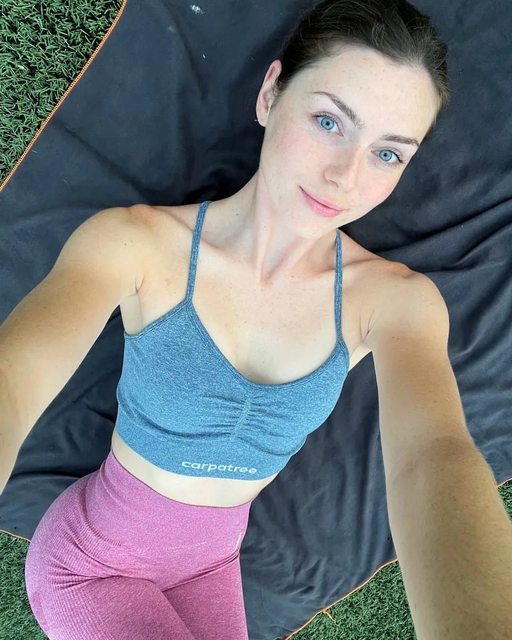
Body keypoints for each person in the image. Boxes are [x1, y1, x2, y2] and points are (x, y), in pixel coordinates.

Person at [0, 0, 450, 637]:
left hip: (210, 566)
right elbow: (13, 378)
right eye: (328, 121)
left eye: (388, 154)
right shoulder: (136, 245)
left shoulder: (396, 301)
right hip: (93, 564)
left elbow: (436, 455)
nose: (344, 176)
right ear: (270, 94)